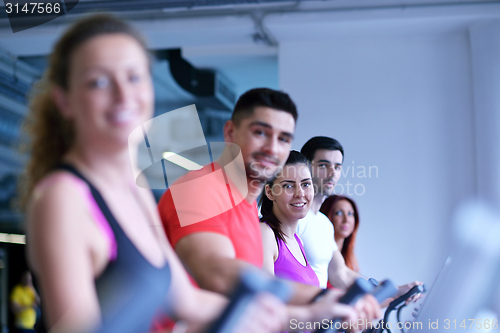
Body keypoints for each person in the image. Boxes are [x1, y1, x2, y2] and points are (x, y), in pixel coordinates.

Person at [21, 14, 284, 333]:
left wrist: (299, 313)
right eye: (99, 82)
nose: (123, 95)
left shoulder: (135, 189)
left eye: (134, 77)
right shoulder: (62, 198)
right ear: (64, 101)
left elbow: (187, 301)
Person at [159, 89, 381, 331]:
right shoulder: (198, 189)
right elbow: (218, 273)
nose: (272, 148)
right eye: (261, 133)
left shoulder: (247, 209)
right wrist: (318, 298)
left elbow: (251, 308)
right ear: (230, 132)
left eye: (284, 139)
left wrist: (324, 313)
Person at [298, 136, 423, 304]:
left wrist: (395, 290)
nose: (332, 173)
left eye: (337, 167)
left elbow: (341, 274)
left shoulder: (323, 223)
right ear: (305, 168)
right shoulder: (294, 219)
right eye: (323, 165)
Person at [260, 151, 319, 287]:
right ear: (270, 192)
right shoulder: (265, 234)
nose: (300, 193)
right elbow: (264, 299)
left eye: (306, 184)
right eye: (288, 186)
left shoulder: (297, 241)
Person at [320, 195, 360, 272]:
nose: (346, 220)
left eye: (350, 214)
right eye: (339, 213)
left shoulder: (349, 260)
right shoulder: (319, 256)